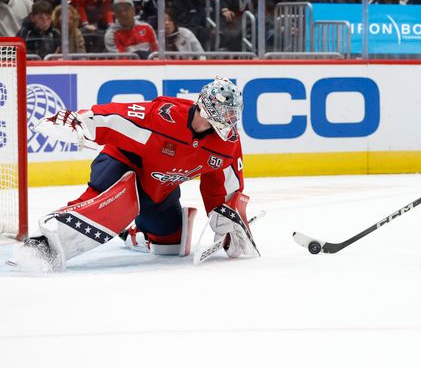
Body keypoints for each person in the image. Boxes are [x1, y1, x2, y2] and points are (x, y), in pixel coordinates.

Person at [16, 77, 258, 271]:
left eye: (232, 113)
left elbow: (223, 187)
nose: (231, 119)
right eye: (226, 112)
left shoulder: (226, 144)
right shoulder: (163, 116)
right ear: (208, 106)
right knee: (113, 203)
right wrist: (82, 123)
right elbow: (116, 117)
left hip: (159, 189)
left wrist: (227, 223)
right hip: (123, 165)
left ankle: (135, 235)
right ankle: (44, 241)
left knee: (170, 245)